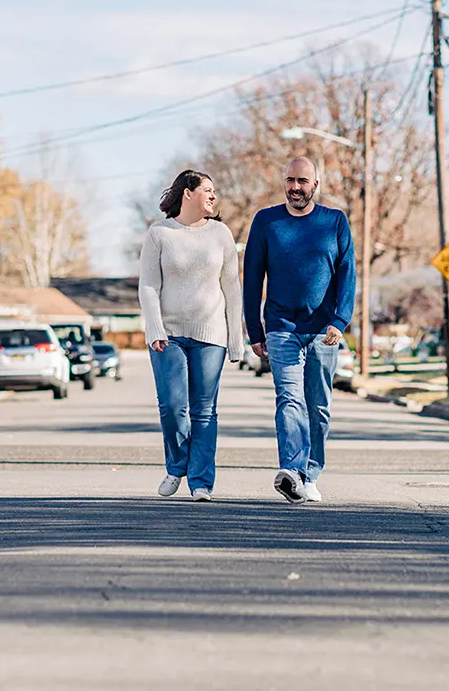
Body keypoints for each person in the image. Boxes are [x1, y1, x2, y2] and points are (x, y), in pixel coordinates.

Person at [243, 157, 356, 504]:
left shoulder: (334, 221)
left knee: (318, 406)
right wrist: (255, 329)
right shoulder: (266, 221)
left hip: (324, 330)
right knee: (289, 399)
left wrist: (340, 320)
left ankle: (311, 472)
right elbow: (251, 277)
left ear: (315, 185)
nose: (295, 187)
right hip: (281, 327)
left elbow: (348, 275)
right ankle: (292, 471)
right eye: (290, 180)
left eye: (302, 181)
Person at [138, 170, 244, 502]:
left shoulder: (221, 234)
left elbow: (232, 288)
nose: (214, 197)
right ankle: (177, 465)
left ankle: (201, 481)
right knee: (171, 406)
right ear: (188, 193)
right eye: (207, 190)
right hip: (167, 334)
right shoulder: (160, 233)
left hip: (211, 333)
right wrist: (154, 327)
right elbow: (148, 285)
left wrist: (236, 338)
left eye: (215, 191)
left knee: (205, 410)